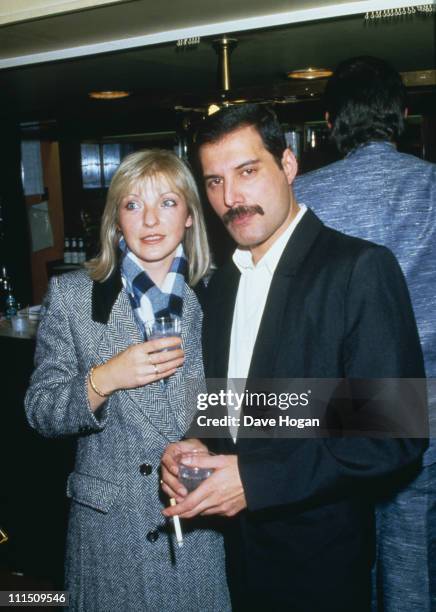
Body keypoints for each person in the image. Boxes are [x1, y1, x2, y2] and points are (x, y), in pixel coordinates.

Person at [161, 104, 428, 612]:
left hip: (321, 566)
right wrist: (196, 440)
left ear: (287, 165)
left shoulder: (359, 268)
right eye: (214, 182)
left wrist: (255, 480)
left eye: (247, 172)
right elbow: (236, 402)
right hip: (237, 556)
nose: (231, 198)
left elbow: (396, 434)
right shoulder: (224, 283)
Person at [25, 149, 231, 612]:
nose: (151, 220)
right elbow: (40, 410)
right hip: (107, 534)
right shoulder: (74, 296)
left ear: (192, 216)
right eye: (133, 205)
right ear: (117, 219)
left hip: (195, 530)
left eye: (168, 203)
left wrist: (202, 436)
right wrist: (104, 378)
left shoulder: (220, 295)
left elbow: (233, 400)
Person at [294, 56, 436, 612]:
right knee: (413, 569)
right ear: (402, 114)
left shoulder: (304, 195)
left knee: (336, 567)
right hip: (425, 404)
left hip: (335, 410)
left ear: (330, 121)